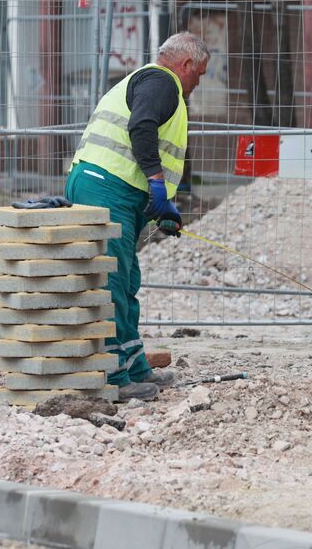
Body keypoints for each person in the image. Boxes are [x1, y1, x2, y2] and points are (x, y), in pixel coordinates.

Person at [66, 31, 209, 402]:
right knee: (112, 280)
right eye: (199, 73)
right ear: (186, 64)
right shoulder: (163, 82)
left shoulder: (152, 82)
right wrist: (157, 184)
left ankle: (135, 367)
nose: (198, 83)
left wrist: (160, 204)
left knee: (126, 280)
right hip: (105, 186)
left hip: (112, 186)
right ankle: (114, 377)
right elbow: (141, 127)